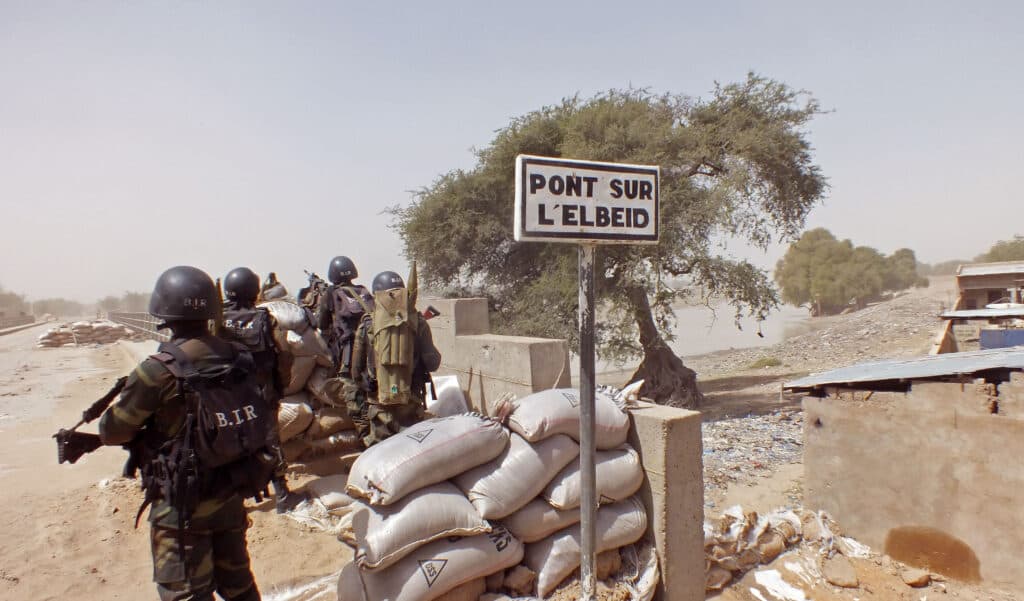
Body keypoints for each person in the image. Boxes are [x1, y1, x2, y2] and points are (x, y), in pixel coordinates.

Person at [99, 266, 272, 601]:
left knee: (186, 593)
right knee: (240, 587)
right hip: (230, 494)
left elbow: (113, 431)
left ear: (164, 312)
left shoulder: (157, 370)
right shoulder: (238, 357)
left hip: (181, 509)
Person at [221, 266, 297, 513]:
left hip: (226, 398)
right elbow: (284, 356)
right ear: (254, 291)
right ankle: (283, 495)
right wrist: (281, 386)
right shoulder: (265, 319)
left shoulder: (216, 321)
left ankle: (232, 500)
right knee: (270, 442)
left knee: (229, 444)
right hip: (261, 394)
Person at [354, 270, 441, 446]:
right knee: (413, 453)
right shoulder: (418, 321)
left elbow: (356, 370)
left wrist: (370, 386)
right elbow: (433, 363)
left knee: (379, 456)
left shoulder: (367, 323)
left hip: (379, 408)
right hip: (412, 404)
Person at [316, 256, 374, 376]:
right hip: (370, 344)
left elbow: (322, 324)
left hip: (346, 351)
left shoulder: (331, 293)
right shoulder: (363, 291)